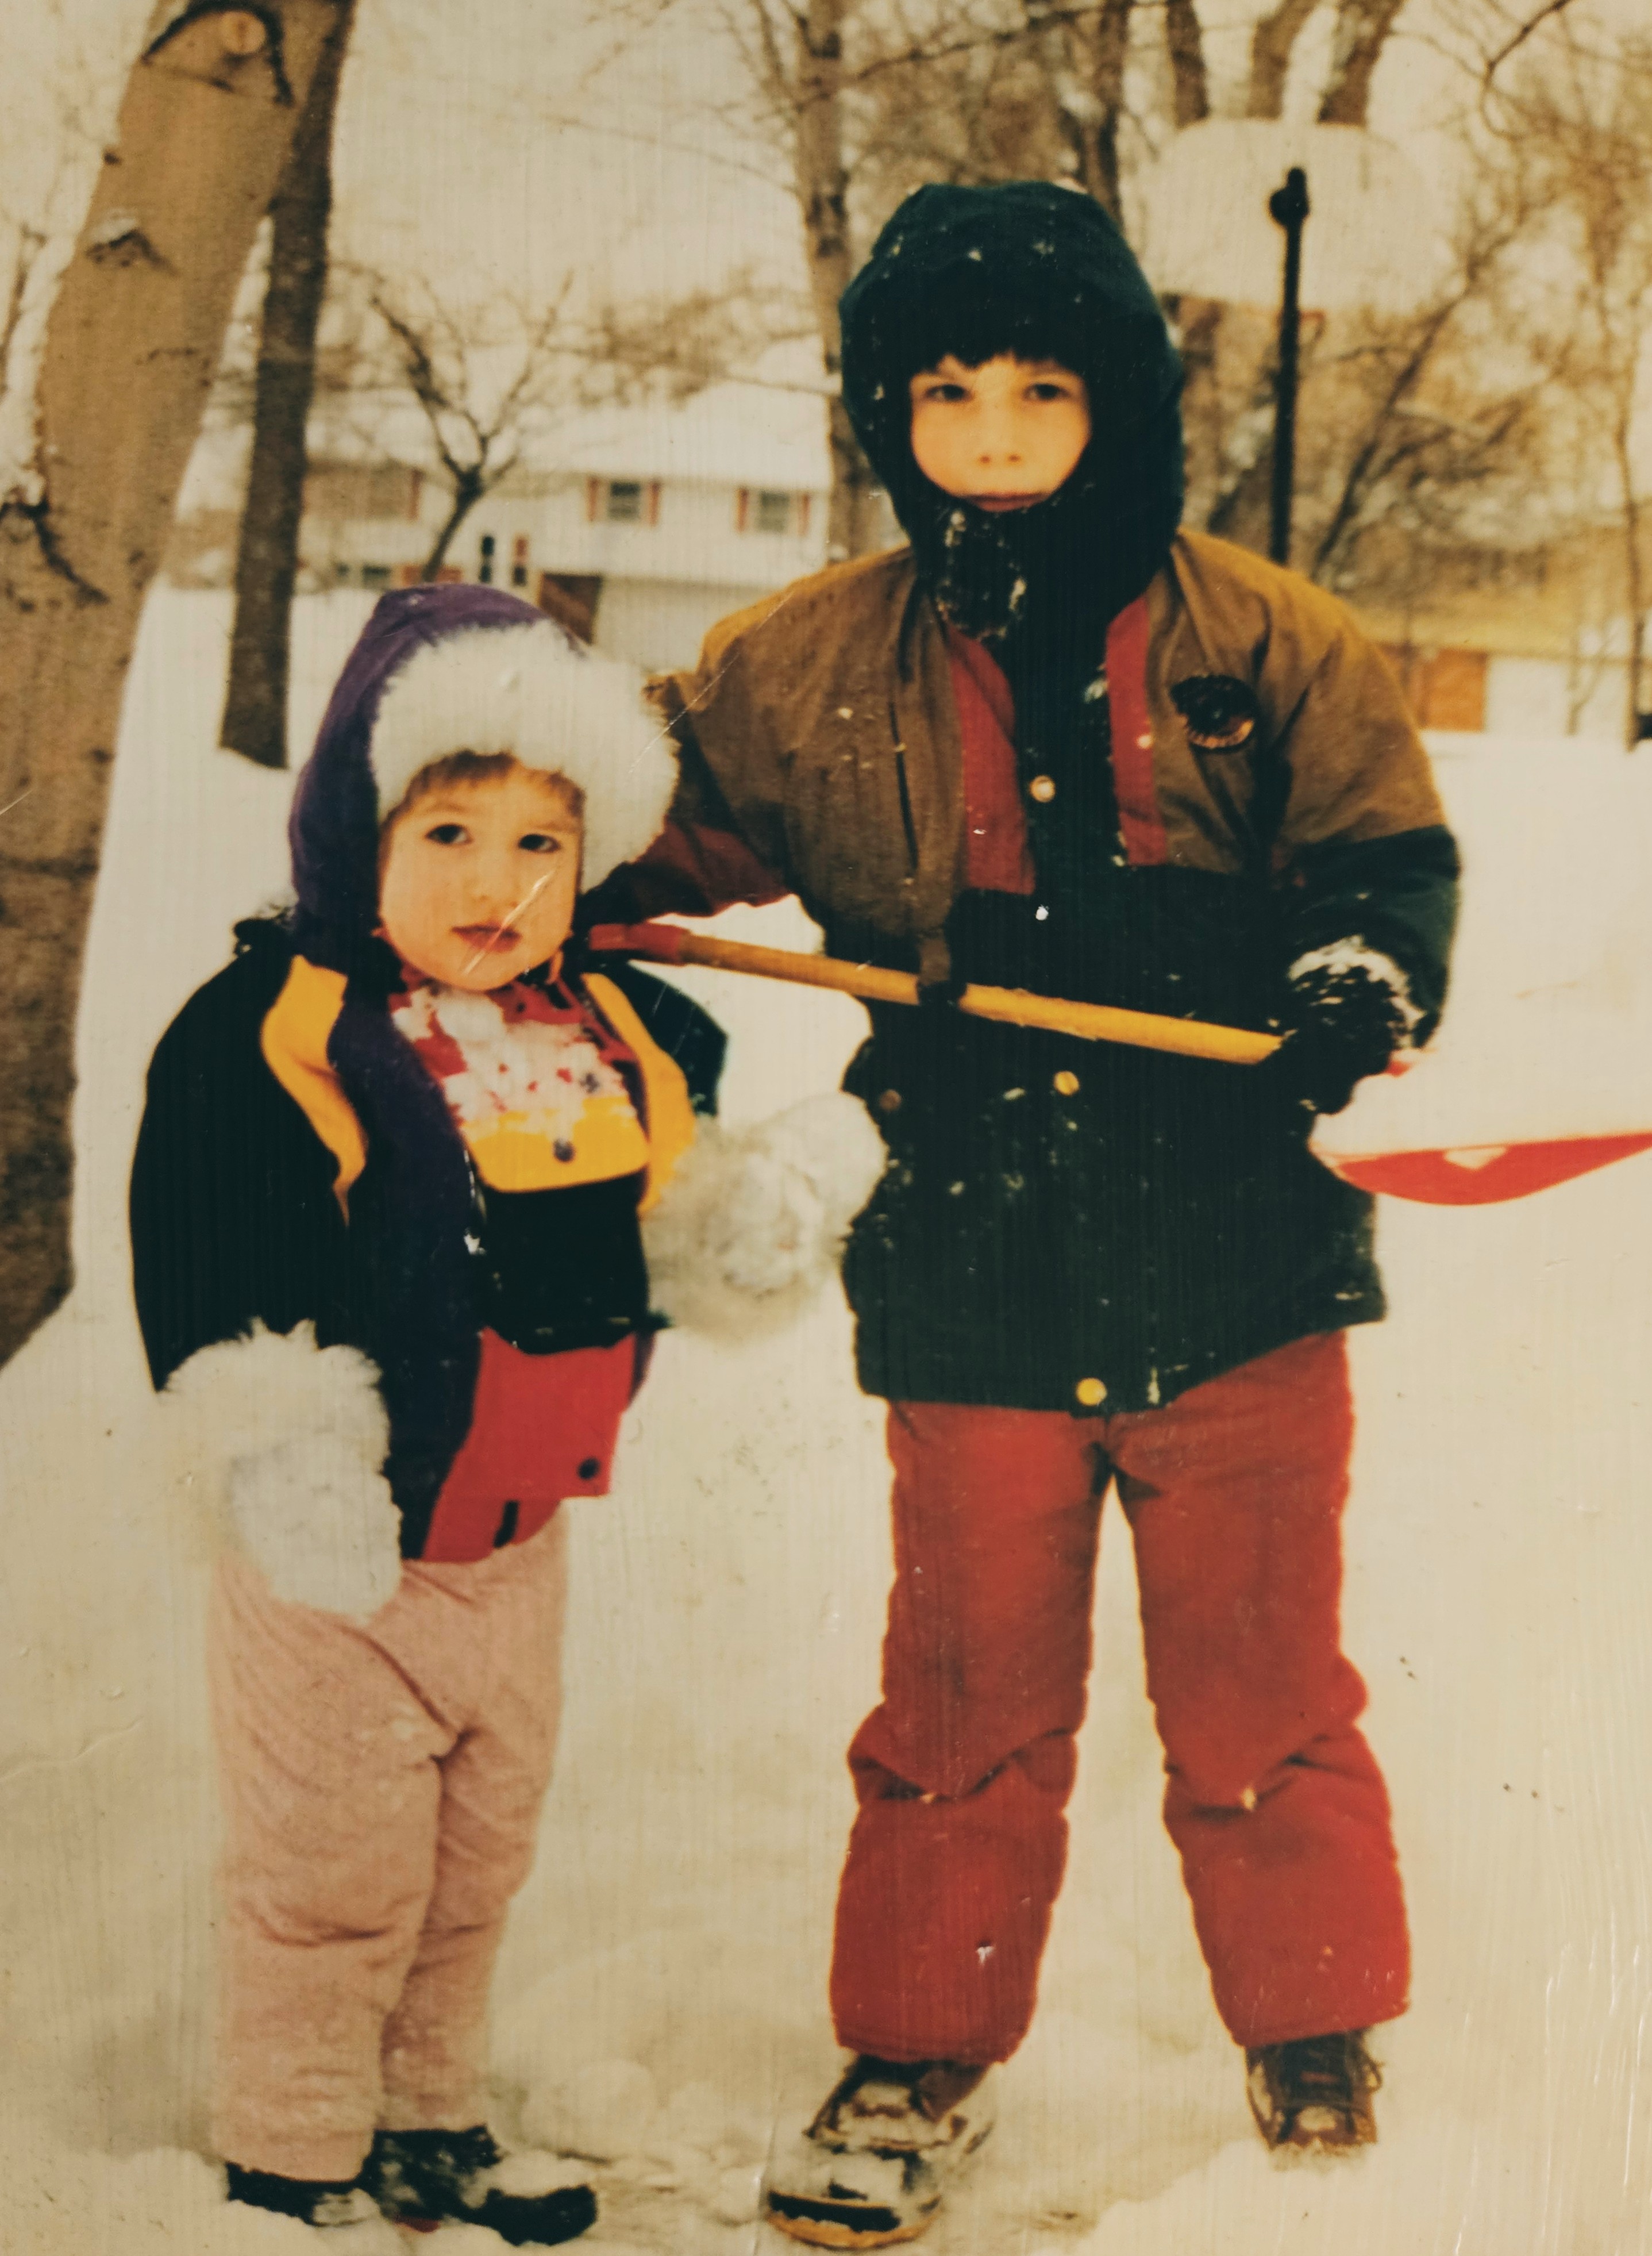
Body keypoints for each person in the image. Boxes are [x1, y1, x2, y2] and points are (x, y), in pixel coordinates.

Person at [581, 182, 1460, 2247]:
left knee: (1259, 1692)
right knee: (962, 1703)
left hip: (1237, 1267)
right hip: (970, 1266)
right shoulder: (806, 660)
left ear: (1117, 402)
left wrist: (1356, 973)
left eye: (1039, 390)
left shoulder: (1266, 640)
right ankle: (914, 2050)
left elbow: (1380, 857)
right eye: (944, 392)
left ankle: (1313, 2027)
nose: (989, 433)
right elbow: (635, 832)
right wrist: (494, 870)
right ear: (891, 416)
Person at [129, 584, 881, 2248]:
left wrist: (749, 1223)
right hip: (341, 1567)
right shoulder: (281, 1031)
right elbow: (209, 1247)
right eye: (451, 835)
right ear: (359, 832)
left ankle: (424, 2124)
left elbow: (659, 1226)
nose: (499, 883)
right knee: (335, 1880)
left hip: (517, 1552)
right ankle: (292, 2161)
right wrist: (278, 1451)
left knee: (472, 1870)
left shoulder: (603, 1031)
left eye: (543, 844)